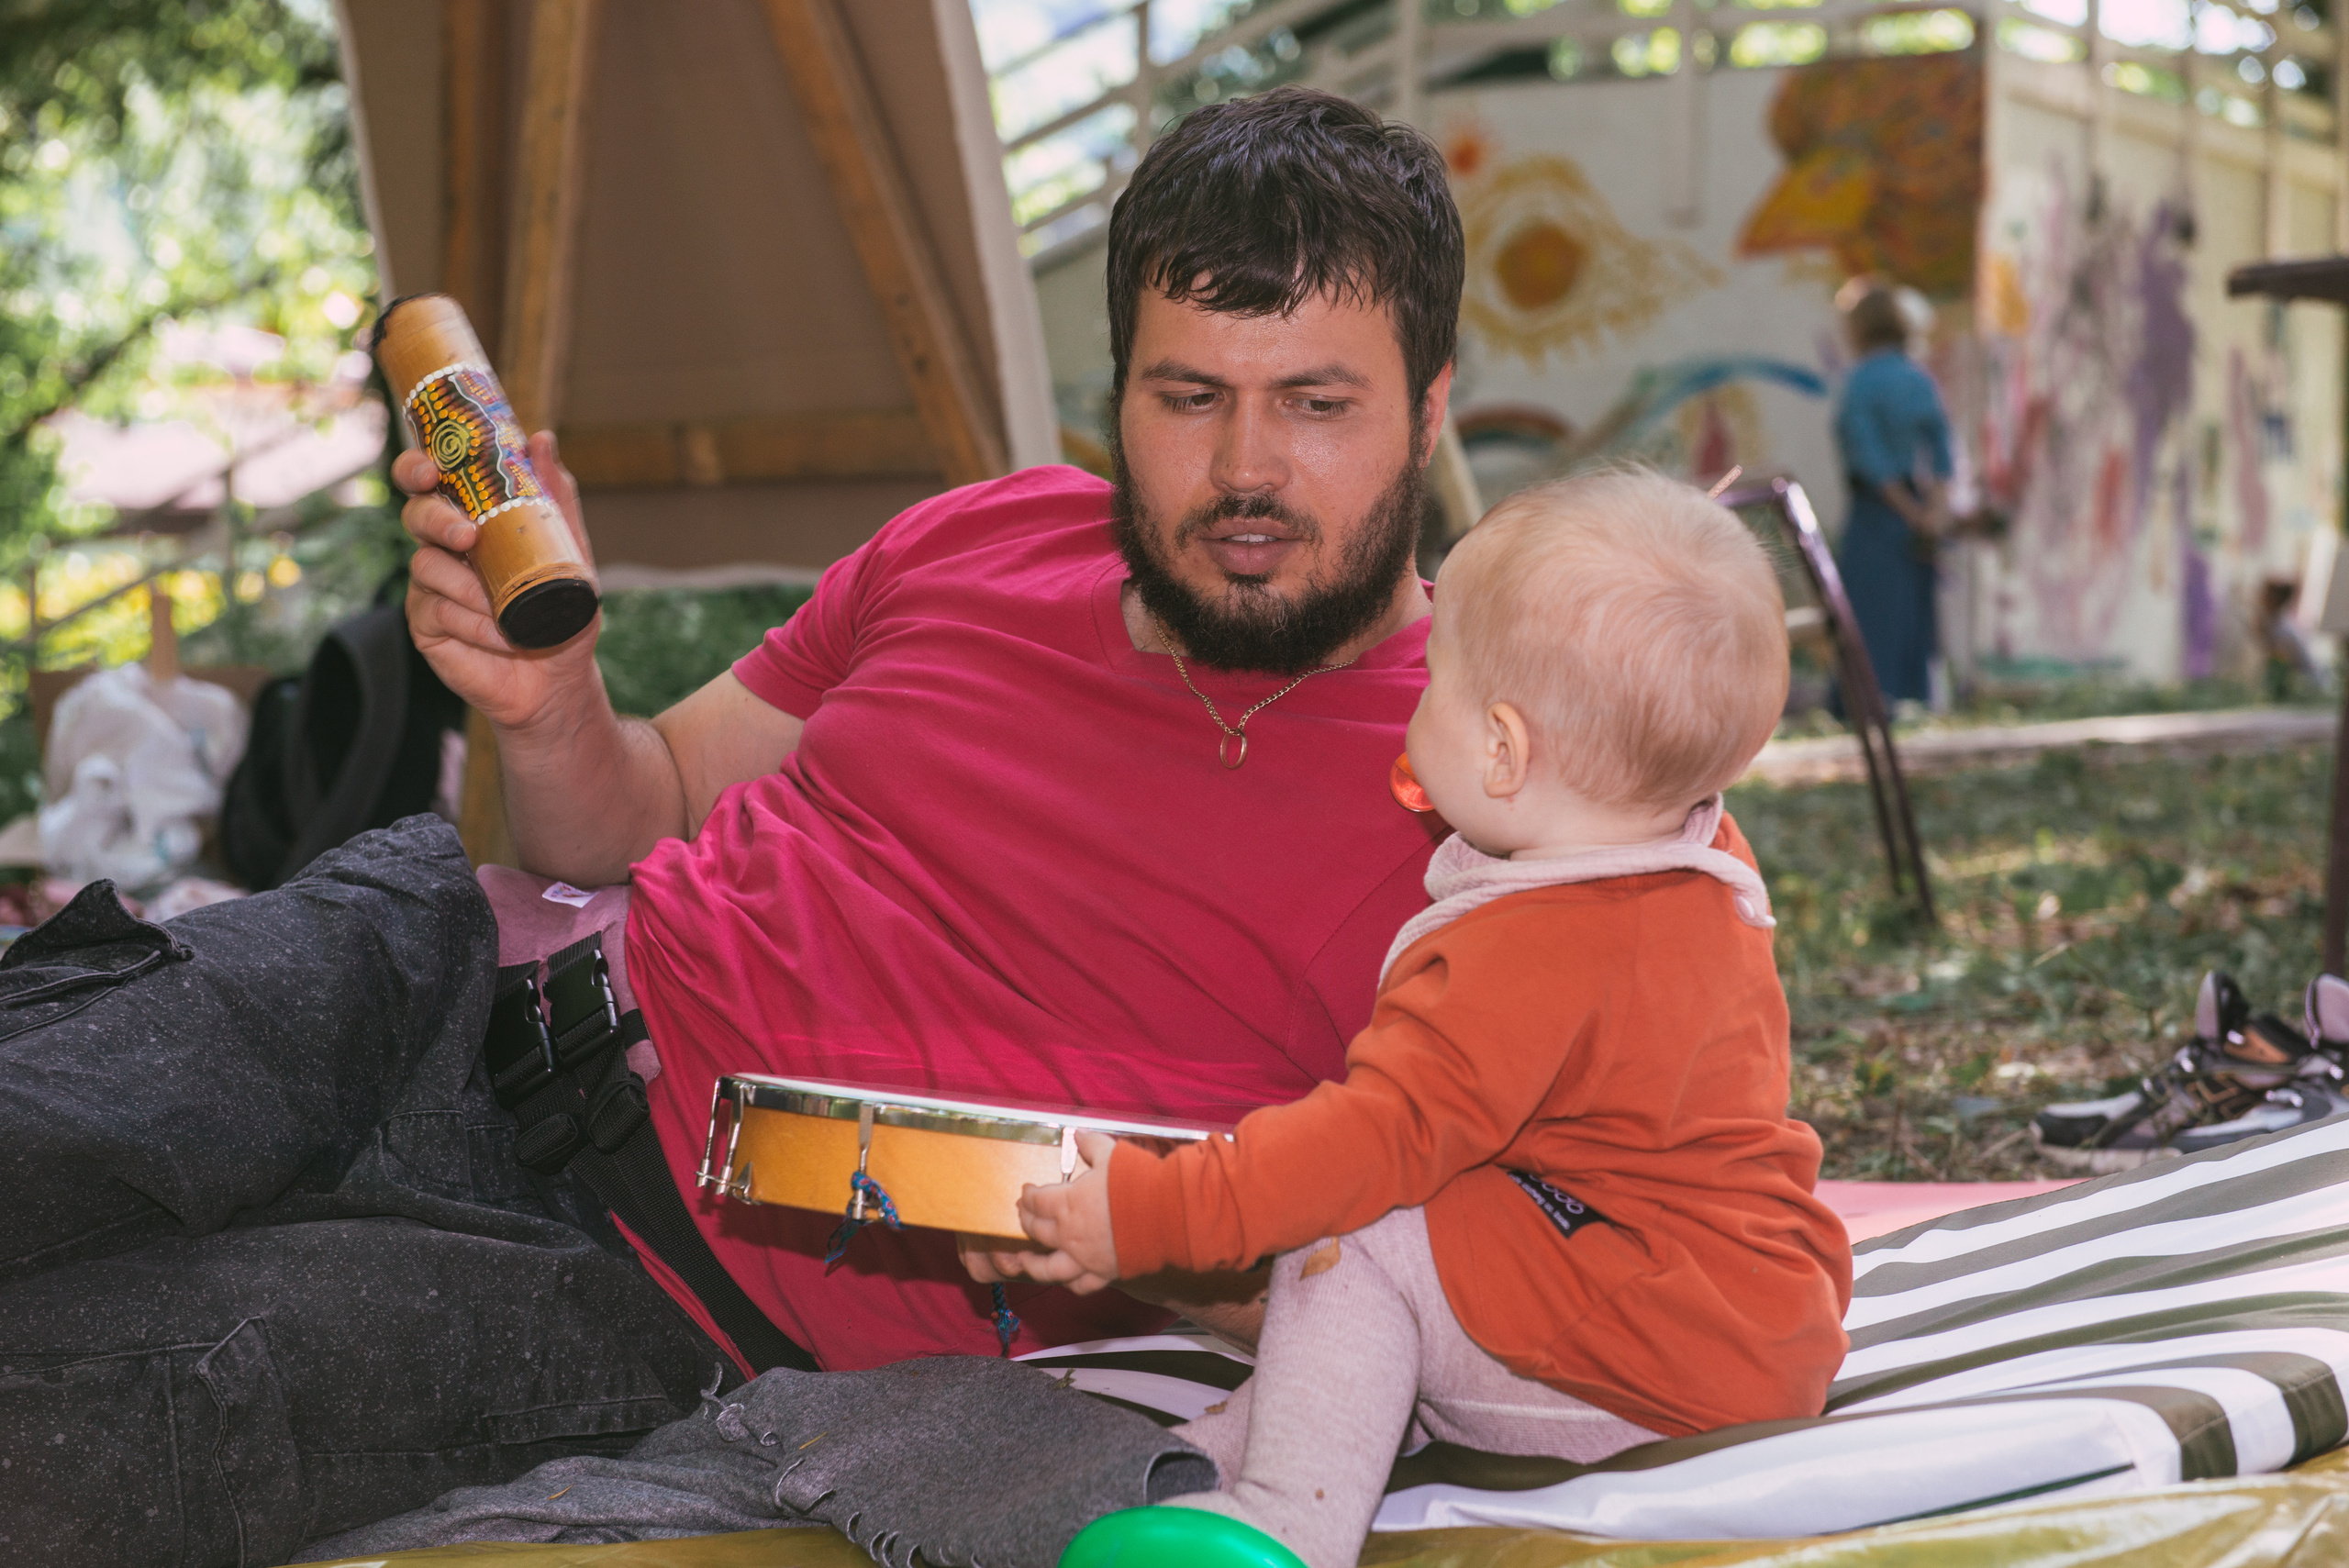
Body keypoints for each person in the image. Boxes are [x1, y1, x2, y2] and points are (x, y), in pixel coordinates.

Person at [0, 87, 1464, 1564]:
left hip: (649, 1278)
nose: (1245, 470)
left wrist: (1155, 1233)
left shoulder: (1502, 793)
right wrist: (550, 703)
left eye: (1317, 403)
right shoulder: (988, 534)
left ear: (1430, 407)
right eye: (1190, 397)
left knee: (73, 1401)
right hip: (446, 967)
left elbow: (1496, 1286)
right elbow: (635, 811)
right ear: (1124, 394)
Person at [982, 470, 1854, 1568]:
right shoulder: (1690, 854)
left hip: (1638, 1373)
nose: (1414, 698)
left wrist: (1153, 1212)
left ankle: (1288, 1522)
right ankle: (1256, 1444)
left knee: (1358, 1223)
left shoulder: (1531, 951)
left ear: (1501, 750)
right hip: (1734, 1317)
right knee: (1438, 1202)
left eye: (1435, 677)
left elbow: (1368, 1142)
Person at [1832, 281, 1952, 709]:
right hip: (1917, 509)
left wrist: (1909, 513)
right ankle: (1912, 699)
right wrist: (1932, 512)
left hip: (1876, 514)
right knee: (1912, 617)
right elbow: (1942, 451)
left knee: (1867, 615)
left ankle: (1867, 705)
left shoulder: (1860, 383)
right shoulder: (1919, 379)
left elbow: (1871, 463)